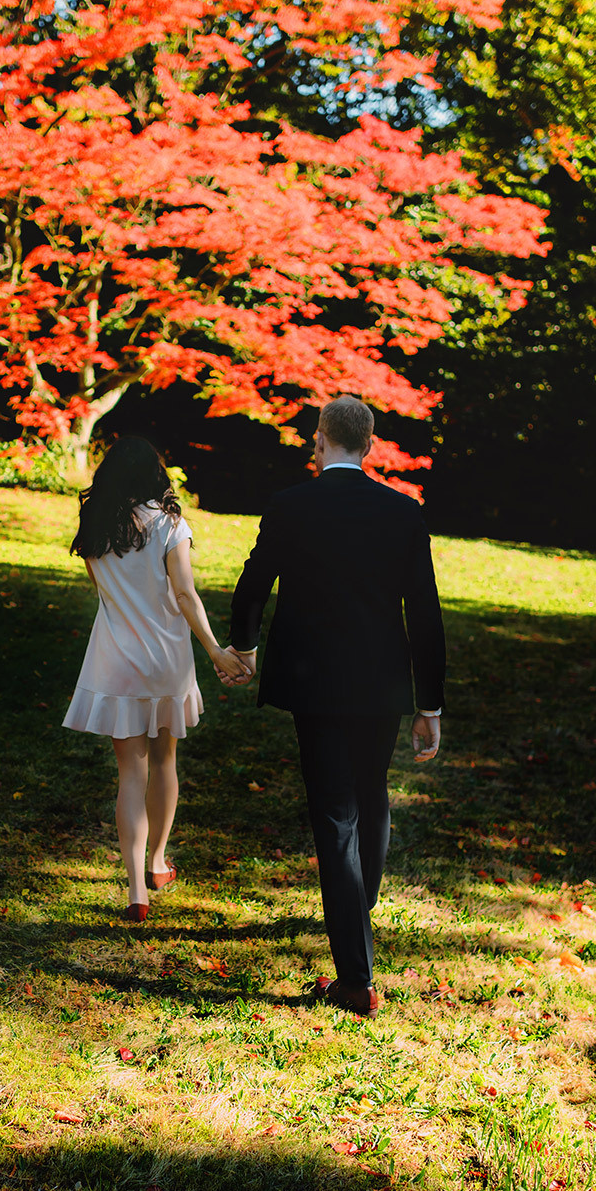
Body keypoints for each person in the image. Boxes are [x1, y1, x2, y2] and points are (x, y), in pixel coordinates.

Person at [226, 395, 446, 1017]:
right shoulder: (402, 512)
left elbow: (253, 584)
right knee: (369, 793)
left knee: (335, 814)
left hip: (313, 681)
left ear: (320, 439)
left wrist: (243, 646)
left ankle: (355, 977)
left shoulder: (291, 505)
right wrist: (430, 703)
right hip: (380, 683)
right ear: (370, 444)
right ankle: (358, 913)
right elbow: (424, 615)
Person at [63, 436, 249, 921]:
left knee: (130, 772)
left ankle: (134, 893)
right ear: (155, 475)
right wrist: (214, 650)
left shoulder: (97, 525)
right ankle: (158, 861)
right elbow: (185, 595)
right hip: (166, 656)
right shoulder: (170, 524)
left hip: (115, 658)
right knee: (164, 761)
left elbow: (101, 590)